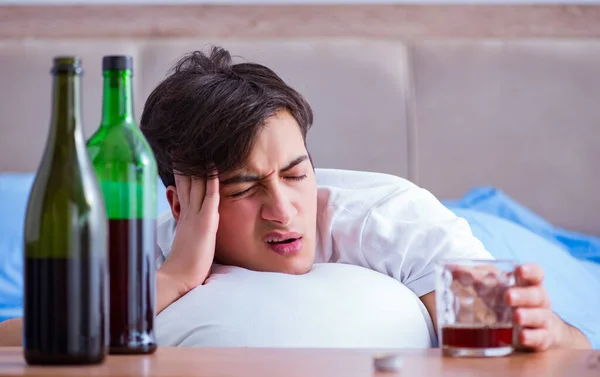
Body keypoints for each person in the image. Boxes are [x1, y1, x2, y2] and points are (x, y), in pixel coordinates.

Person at [0, 46, 592, 350]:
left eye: (295, 173)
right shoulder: (157, 242)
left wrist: (544, 330)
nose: (283, 209)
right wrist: (175, 278)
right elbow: (26, 337)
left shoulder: (391, 221)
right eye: (244, 187)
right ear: (179, 203)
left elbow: (554, 343)